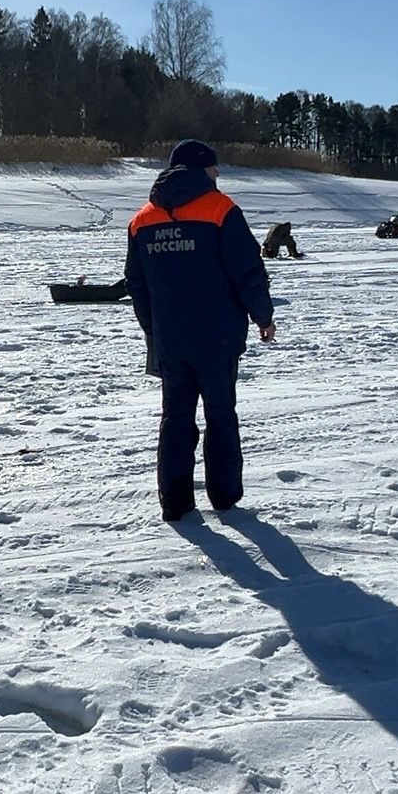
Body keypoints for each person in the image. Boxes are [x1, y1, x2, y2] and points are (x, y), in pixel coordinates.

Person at [125, 139, 275, 522]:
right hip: (218, 336)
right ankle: (224, 497)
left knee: (175, 418)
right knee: (221, 414)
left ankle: (174, 502)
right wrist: (263, 316)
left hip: (171, 339)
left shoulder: (142, 219)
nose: (218, 173)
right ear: (200, 169)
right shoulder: (221, 209)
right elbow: (247, 270)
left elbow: (136, 284)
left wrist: (154, 330)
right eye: (213, 167)